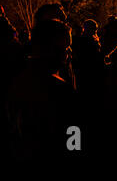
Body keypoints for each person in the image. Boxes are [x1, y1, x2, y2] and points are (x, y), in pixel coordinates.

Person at [6, 20, 77, 160]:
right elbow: (73, 131)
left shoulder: (16, 81)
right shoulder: (59, 89)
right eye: (65, 48)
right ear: (52, 48)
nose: (68, 54)